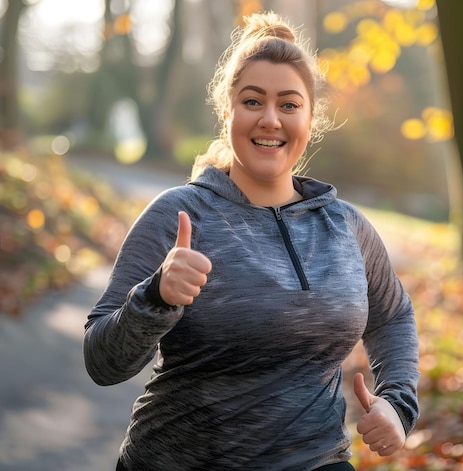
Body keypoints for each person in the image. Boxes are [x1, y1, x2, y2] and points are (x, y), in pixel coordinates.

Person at [83, 11, 419, 471]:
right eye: (252, 101)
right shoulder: (179, 214)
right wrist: (156, 296)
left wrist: (398, 405)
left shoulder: (346, 227)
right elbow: (103, 363)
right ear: (228, 112)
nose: (270, 120)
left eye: (288, 104)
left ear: (310, 117)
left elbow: (394, 314)